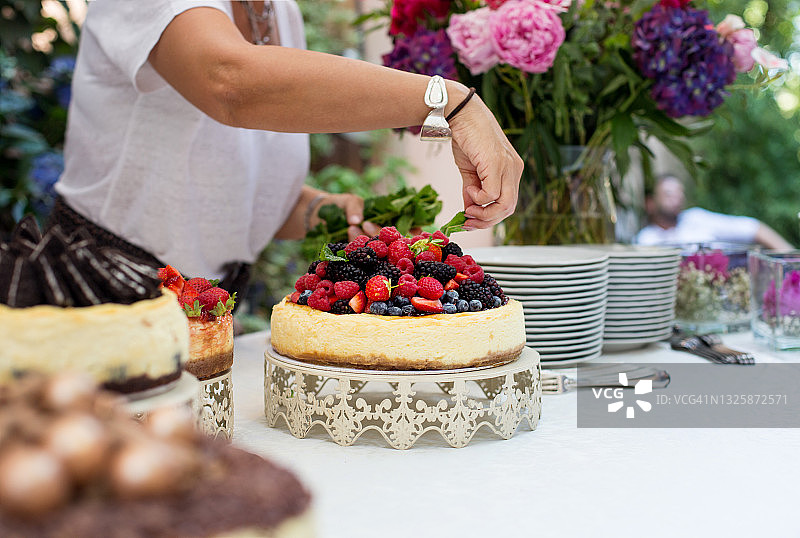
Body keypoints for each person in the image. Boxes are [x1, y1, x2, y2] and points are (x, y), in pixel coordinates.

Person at [51, 0, 523, 295]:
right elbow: (230, 82)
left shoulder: (280, 12)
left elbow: (239, 194)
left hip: (202, 313)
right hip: (97, 294)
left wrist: (334, 211)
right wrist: (450, 104)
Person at [634, 174, 792, 249]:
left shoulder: (696, 219)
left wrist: (791, 259)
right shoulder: (645, 240)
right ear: (650, 203)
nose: (678, 198)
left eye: (680, 193)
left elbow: (753, 228)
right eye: (669, 194)